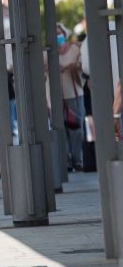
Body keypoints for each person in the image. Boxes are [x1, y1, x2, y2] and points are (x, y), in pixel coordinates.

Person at [58, 24, 85, 171]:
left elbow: (81, 65)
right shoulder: (49, 52)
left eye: (59, 33)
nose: (57, 37)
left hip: (74, 94)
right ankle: (67, 161)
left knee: (76, 129)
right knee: (62, 130)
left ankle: (78, 159)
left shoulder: (74, 49)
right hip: (57, 98)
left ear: (64, 33)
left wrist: (70, 66)